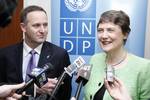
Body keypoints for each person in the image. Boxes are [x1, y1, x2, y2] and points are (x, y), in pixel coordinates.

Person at [0, 5, 72, 100]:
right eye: (36, 25)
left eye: (45, 25)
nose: (43, 30)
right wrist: (32, 89)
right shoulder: (5, 54)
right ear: (23, 27)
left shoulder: (60, 55)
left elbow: (64, 94)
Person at [84, 10, 150, 100]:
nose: (103, 36)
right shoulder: (95, 59)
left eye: (110, 30)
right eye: (100, 30)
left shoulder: (144, 67)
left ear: (125, 34)